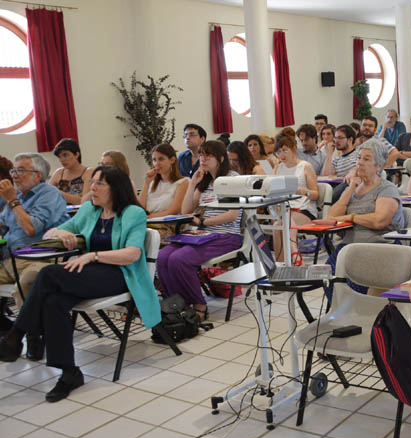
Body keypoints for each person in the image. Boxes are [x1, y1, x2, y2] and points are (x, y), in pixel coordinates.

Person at [0, 166, 160, 402]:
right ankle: (69, 372)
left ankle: (16, 335)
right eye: (92, 182)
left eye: (99, 184)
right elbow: (49, 234)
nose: (92, 188)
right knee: (54, 302)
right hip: (89, 273)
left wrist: (93, 256)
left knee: (48, 275)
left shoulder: (133, 213)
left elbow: (133, 254)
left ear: (116, 188)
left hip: (119, 274)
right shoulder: (88, 210)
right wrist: (60, 234)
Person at [157, 141, 242, 319]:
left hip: (226, 235)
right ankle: (176, 303)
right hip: (203, 233)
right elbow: (186, 210)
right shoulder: (205, 180)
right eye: (201, 155)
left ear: (220, 158)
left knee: (180, 259)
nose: (202, 159)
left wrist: (204, 222)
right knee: (163, 256)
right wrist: (192, 184)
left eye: (207, 155)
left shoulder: (232, 178)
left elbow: (233, 215)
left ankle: (199, 305)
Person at [0, 153, 69, 336]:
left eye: (21, 170)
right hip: (10, 259)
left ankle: (33, 335)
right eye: (13, 170)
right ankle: (4, 323)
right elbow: (3, 225)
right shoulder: (18, 197)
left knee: (27, 282)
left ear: (38, 175)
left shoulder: (48, 194)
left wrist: (12, 200)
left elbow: (30, 229)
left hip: (40, 258)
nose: (14, 175)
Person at [324, 139, 404, 245]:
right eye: (359, 158)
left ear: (378, 166)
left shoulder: (387, 189)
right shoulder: (352, 189)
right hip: (349, 246)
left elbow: (379, 221)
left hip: (380, 246)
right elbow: (331, 218)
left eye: (366, 159)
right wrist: (351, 187)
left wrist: (351, 217)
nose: (360, 162)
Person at [271, 132, 319, 260]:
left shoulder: (305, 166)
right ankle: (282, 264)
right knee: (278, 225)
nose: (282, 155)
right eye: (279, 152)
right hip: (283, 210)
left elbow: (315, 194)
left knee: (282, 222)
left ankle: (292, 253)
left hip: (304, 210)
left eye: (285, 150)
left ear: (293, 148)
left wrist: (304, 191)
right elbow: (271, 191)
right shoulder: (278, 168)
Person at [138, 144, 190, 218]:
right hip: (148, 224)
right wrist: (146, 183)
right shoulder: (152, 183)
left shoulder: (183, 182)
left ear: (172, 160)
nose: (157, 163)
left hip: (167, 224)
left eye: (161, 159)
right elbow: (139, 208)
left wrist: (148, 218)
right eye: (154, 160)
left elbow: (173, 211)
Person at [49, 138, 92, 205]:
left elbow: (84, 201)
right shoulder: (59, 172)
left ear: (76, 154)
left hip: (80, 213)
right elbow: (46, 195)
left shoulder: (89, 172)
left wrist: (57, 193)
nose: (62, 160)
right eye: (59, 157)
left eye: (65, 155)